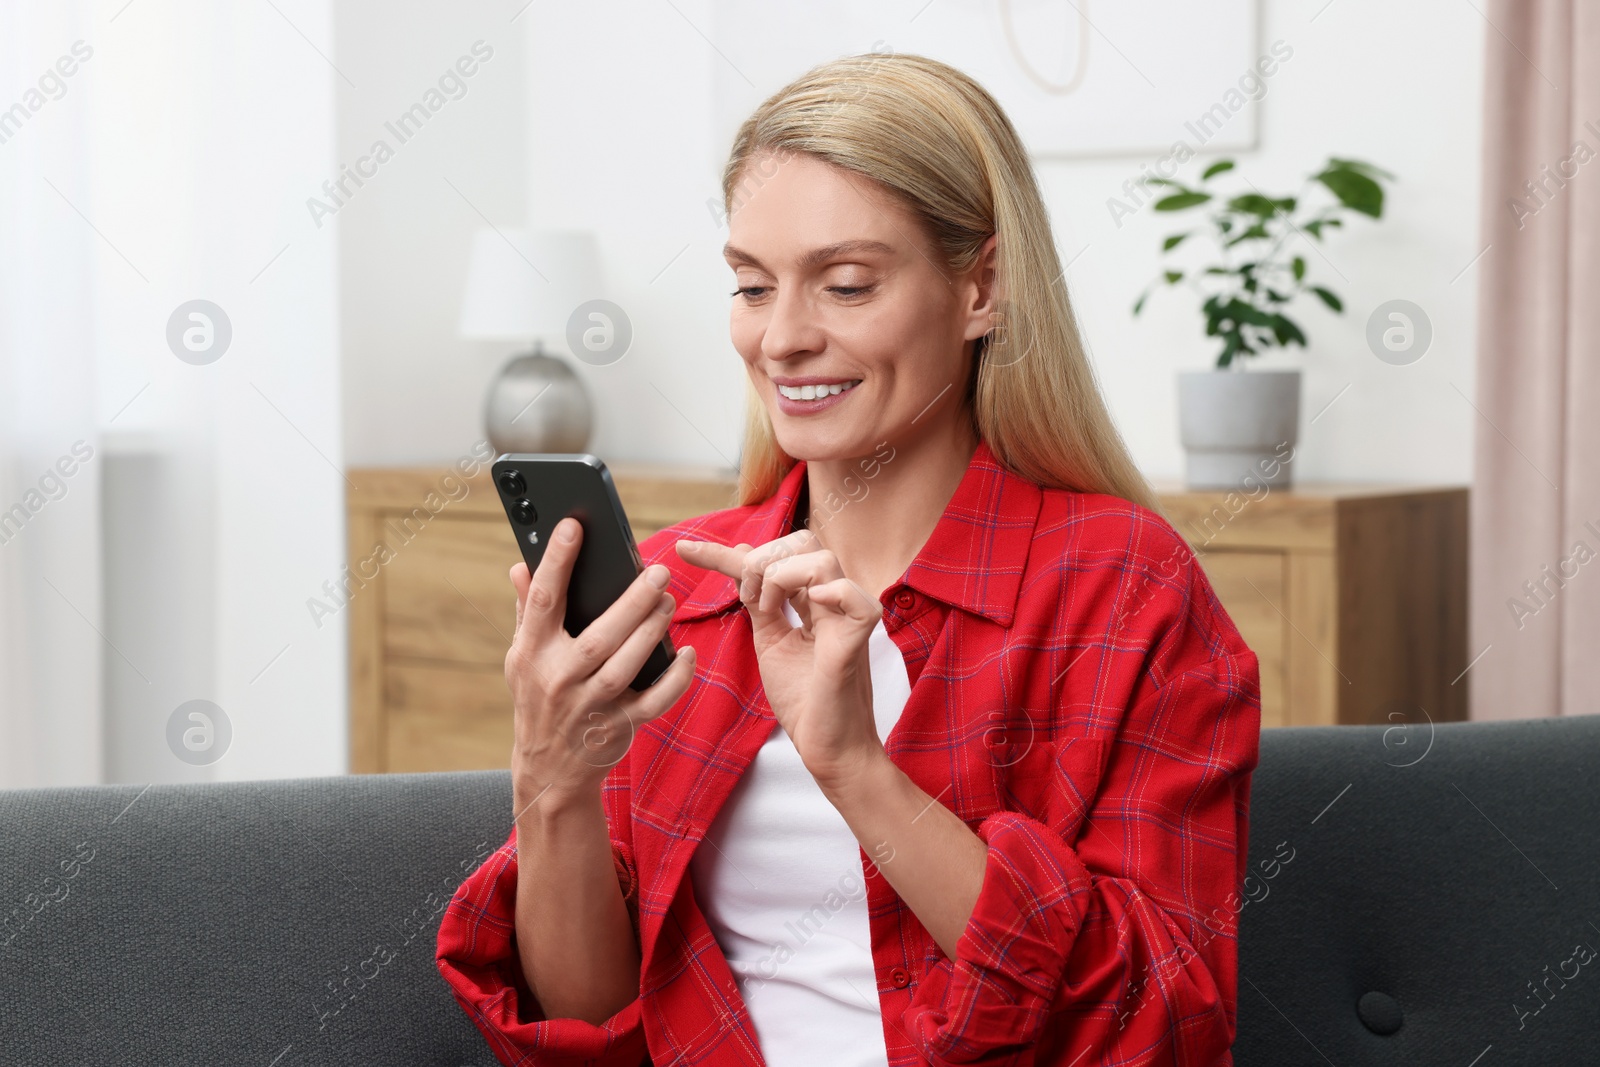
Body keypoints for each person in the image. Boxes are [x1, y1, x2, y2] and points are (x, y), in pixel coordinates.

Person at [436, 50, 1261, 1067]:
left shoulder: (1122, 588)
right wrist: (551, 780)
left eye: (847, 283)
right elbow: (591, 1026)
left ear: (981, 287)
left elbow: (1163, 1021)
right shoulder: (675, 594)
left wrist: (855, 768)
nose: (780, 337)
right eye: (749, 284)